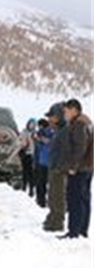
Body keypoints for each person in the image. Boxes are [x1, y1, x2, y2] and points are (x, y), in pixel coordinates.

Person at [59, 99, 93, 239]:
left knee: (75, 199)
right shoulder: (87, 121)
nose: (65, 114)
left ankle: (74, 232)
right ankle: (82, 230)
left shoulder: (79, 124)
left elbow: (80, 147)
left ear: (74, 109)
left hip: (79, 168)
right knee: (84, 199)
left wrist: (73, 166)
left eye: (66, 111)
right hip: (88, 166)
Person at [42, 102, 70, 232]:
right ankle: (52, 218)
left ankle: (57, 222)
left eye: (51, 116)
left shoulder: (64, 131)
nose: (49, 119)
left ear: (59, 116)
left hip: (59, 169)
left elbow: (66, 151)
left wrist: (60, 167)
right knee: (52, 195)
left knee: (58, 196)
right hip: (53, 167)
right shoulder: (58, 131)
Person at [33, 118, 53, 208]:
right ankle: (46, 201)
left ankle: (41, 201)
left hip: (43, 161)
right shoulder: (52, 131)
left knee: (41, 183)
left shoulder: (43, 133)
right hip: (48, 161)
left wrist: (39, 140)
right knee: (49, 184)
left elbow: (39, 147)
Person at [18, 118, 37, 197]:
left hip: (33, 154)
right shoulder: (24, 132)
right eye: (31, 123)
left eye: (34, 124)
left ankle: (31, 189)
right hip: (25, 154)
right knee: (25, 171)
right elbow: (20, 142)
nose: (32, 125)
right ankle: (24, 187)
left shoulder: (35, 133)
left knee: (31, 173)